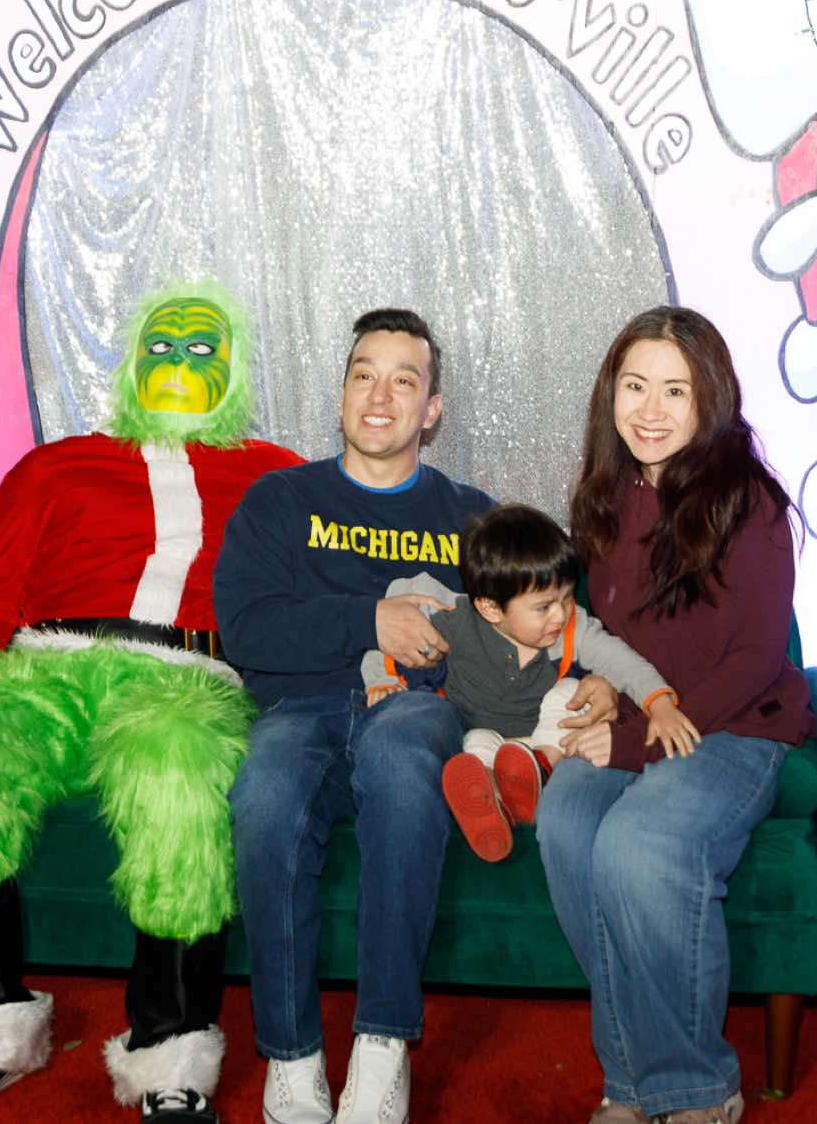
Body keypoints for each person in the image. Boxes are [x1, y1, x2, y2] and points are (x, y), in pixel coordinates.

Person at [0, 284, 303, 1124]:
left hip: (185, 679)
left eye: (201, 348)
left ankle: (171, 1053)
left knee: (180, 769)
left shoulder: (277, 474)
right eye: (161, 347)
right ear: (131, 363)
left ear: (235, 368)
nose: (178, 362)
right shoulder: (54, 464)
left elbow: (310, 588)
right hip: (42, 671)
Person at [214, 309, 619, 1124]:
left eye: (405, 380)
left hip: (421, 709)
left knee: (404, 757)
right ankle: (291, 1057)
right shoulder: (279, 500)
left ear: (431, 410)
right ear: (340, 395)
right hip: (301, 708)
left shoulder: (473, 518)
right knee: (264, 794)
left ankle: (382, 1046)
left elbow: (545, 615)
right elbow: (246, 626)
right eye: (364, 374)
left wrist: (601, 677)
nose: (380, 395)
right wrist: (369, 619)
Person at [537, 306, 814, 1124]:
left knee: (641, 843)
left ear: (709, 399)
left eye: (674, 390)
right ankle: (630, 1082)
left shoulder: (748, 502)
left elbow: (752, 660)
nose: (650, 410)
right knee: (565, 817)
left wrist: (630, 740)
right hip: (650, 715)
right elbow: (622, 632)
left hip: (738, 724)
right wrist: (606, 684)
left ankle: (698, 1089)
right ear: (610, 394)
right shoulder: (607, 496)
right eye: (635, 386)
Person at [359, 504, 700, 862]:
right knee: (474, 745)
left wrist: (659, 703)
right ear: (491, 608)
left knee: (571, 693)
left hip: (545, 741)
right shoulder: (454, 623)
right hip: (491, 742)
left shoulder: (572, 629)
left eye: (567, 597)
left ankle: (541, 768)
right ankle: (492, 802)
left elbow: (623, 662)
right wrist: (382, 682)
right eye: (544, 607)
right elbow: (392, 644)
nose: (561, 614)